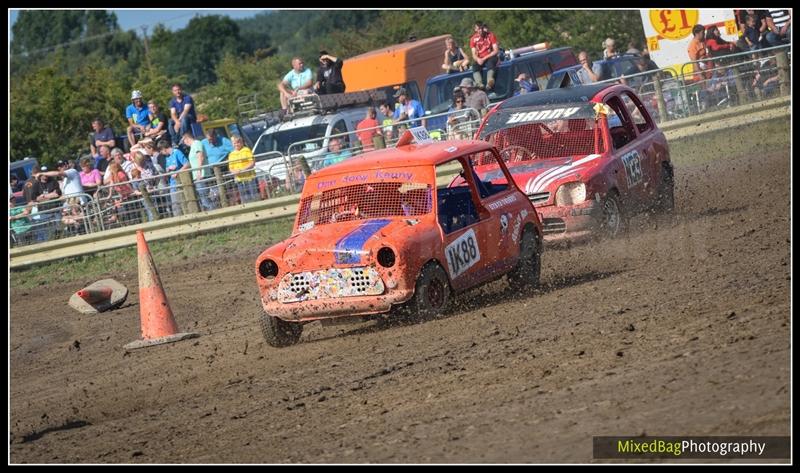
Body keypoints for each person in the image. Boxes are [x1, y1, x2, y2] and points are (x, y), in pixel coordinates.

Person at [158, 139, 190, 217]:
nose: (161, 153)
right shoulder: (167, 157)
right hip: (172, 184)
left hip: (180, 183)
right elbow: (167, 169)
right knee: (175, 206)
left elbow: (187, 164)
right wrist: (168, 169)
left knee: (184, 204)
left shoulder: (177, 152)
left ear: (164, 149)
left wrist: (178, 171)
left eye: (161, 151)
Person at [227, 135, 259, 204]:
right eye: (234, 143)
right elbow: (231, 168)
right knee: (244, 199)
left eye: (238, 142)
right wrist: (234, 171)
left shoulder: (246, 150)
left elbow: (252, 162)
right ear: (232, 144)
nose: (236, 144)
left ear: (242, 142)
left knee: (254, 197)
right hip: (239, 180)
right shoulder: (231, 154)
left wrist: (242, 169)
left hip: (249, 178)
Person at [470, 22, 500, 90]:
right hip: (480, 59)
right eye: (478, 29)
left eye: (481, 28)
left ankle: (490, 81)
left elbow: (496, 50)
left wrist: (484, 58)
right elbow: (473, 54)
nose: (480, 30)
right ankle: (479, 84)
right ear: (475, 30)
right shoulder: (473, 39)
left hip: (490, 57)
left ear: (483, 28)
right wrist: (478, 59)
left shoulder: (490, 35)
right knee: (474, 65)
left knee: (491, 62)